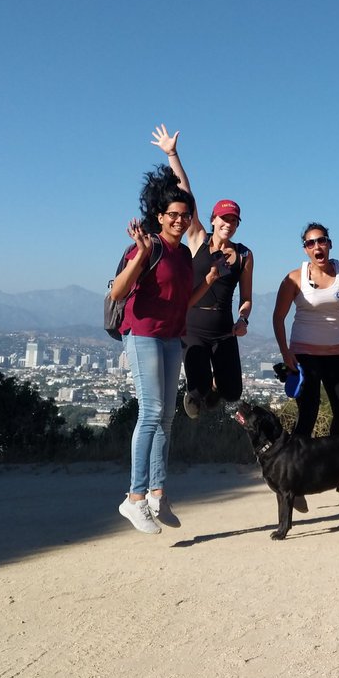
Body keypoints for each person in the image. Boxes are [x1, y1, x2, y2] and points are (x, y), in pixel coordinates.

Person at [112, 155, 220, 535]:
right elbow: (117, 293)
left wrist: (205, 283)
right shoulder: (150, 246)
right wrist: (140, 254)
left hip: (171, 337)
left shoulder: (182, 253)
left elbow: (181, 302)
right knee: (152, 411)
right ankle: (135, 498)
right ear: (159, 215)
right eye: (173, 213)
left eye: (185, 214)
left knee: (168, 416)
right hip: (142, 334)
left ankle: (158, 493)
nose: (180, 219)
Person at [152, 125, 254, 418]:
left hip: (223, 329)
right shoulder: (198, 238)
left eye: (233, 220)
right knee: (196, 394)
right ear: (213, 219)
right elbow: (187, 193)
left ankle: (210, 386)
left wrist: (244, 317)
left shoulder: (245, 254)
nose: (228, 223)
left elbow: (246, 297)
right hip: (193, 324)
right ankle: (197, 389)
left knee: (233, 392)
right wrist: (173, 154)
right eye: (223, 218)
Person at [272, 223, 339, 439]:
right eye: (311, 243)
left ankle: (333, 467)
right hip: (304, 355)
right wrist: (285, 352)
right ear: (306, 249)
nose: (317, 246)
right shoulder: (293, 278)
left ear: (329, 244)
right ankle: (297, 467)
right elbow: (278, 317)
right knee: (308, 414)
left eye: (321, 240)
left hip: (338, 354)